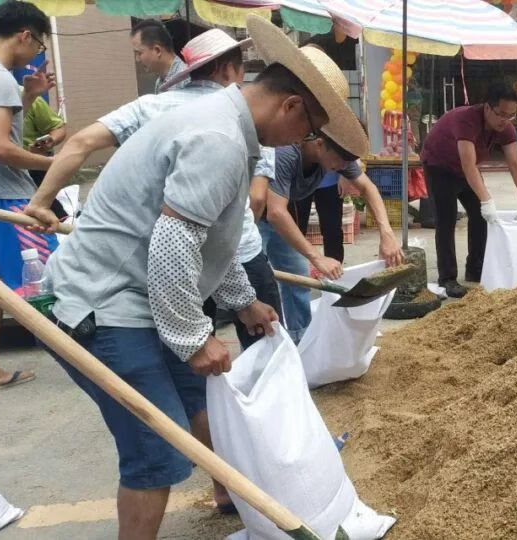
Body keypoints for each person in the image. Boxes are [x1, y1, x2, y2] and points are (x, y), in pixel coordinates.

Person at [23, 15, 367, 539]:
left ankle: (235, 491)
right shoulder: (218, 138)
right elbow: (174, 244)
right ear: (290, 106)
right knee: (155, 450)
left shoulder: (228, 127)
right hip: (104, 305)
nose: (303, 140)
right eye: (308, 129)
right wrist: (193, 336)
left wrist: (242, 300)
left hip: (139, 296)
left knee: (204, 398)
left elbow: (212, 236)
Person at [26, 29, 278, 358]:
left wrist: (41, 202)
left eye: (139, 51)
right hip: (209, 255)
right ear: (229, 71)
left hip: (168, 268)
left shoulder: (152, 108)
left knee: (198, 367)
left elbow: (81, 142)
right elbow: (241, 206)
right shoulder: (246, 123)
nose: (139, 59)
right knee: (243, 359)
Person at [0, 2, 58, 396]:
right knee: (51, 277)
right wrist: (52, 164)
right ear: (25, 35)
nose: (37, 53)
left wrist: (29, 98)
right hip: (8, 199)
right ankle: (89, 363)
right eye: (39, 43)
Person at [259, 132, 402, 343]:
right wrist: (317, 258)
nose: (344, 166)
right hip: (250, 220)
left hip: (280, 219)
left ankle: (301, 340)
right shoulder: (285, 154)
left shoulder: (337, 153)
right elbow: (275, 212)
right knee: (257, 284)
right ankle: (260, 351)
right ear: (319, 145)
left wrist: (387, 234)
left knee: (298, 278)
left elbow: (368, 187)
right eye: (341, 160)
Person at [420, 80, 517, 299]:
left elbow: (515, 163)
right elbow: (468, 164)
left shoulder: (505, 127)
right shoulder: (466, 120)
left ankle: (475, 267)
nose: (506, 120)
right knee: (447, 219)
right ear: (487, 107)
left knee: (480, 216)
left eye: (511, 115)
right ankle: (447, 278)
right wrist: (486, 199)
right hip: (439, 165)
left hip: (465, 170)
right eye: (501, 114)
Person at [22, 89, 67, 219]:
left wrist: (50, 141)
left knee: (52, 211)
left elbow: (58, 128)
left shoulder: (32, 98)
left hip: (32, 166)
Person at [130, 19, 187, 94]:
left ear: (157, 50)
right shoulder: (159, 81)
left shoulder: (186, 79)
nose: (137, 59)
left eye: (139, 53)